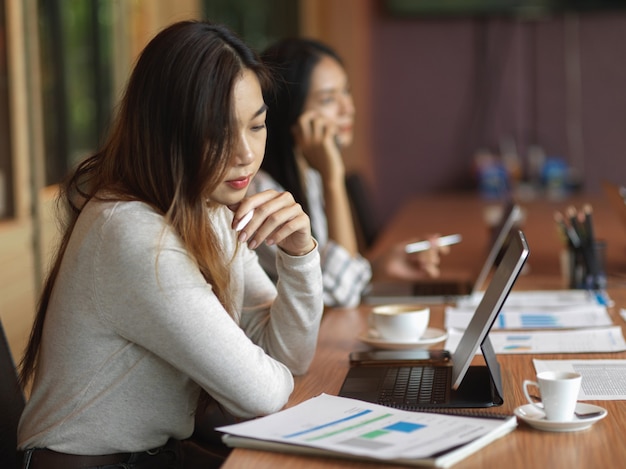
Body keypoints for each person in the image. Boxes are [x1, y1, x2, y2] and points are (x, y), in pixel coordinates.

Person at [17, 21, 323, 469]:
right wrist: (258, 364)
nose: (244, 154)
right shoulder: (134, 234)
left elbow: (288, 357)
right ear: (165, 131)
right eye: (217, 131)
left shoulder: (209, 207)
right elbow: (261, 394)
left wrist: (299, 253)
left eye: (256, 126)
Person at [248, 37, 450, 308]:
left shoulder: (309, 176)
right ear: (290, 111)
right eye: (329, 99)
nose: (348, 109)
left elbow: (331, 278)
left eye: (347, 92)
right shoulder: (261, 194)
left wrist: (377, 266)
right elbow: (340, 296)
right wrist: (333, 178)